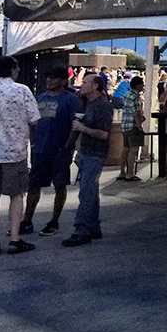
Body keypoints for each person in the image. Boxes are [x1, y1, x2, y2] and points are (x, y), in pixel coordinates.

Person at [0, 56, 41, 255]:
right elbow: (34, 119)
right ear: (12, 70)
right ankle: (15, 239)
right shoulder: (22, 90)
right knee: (17, 195)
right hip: (15, 152)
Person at [20, 67, 83, 237]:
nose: (49, 81)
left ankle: (54, 221)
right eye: (48, 77)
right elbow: (31, 122)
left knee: (60, 185)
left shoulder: (71, 100)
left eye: (54, 78)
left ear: (63, 81)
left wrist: (67, 146)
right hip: (40, 149)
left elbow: (75, 124)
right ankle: (27, 220)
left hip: (59, 150)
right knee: (34, 185)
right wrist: (33, 144)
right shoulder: (39, 98)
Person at [62, 72, 116, 247]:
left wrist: (83, 128)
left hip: (95, 153)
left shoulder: (103, 106)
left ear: (95, 86)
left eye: (85, 82)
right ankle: (93, 227)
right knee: (90, 191)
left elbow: (103, 134)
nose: (82, 85)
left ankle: (81, 229)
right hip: (86, 151)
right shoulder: (86, 103)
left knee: (86, 191)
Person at [118, 76, 145, 181]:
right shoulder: (136, 97)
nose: (143, 86)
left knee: (125, 149)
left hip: (124, 125)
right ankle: (130, 173)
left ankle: (122, 172)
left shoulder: (127, 95)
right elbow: (137, 114)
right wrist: (140, 127)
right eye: (142, 84)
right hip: (132, 126)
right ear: (138, 85)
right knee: (133, 150)